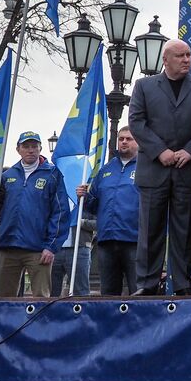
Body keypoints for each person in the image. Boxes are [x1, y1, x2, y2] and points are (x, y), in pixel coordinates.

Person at [128, 38, 191, 295]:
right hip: (154, 170)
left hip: (187, 169)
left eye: (188, 55)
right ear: (165, 60)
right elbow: (136, 122)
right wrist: (160, 151)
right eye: (180, 56)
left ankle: (183, 284)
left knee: (184, 231)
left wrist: (190, 150)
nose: (186, 60)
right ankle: (147, 284)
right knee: (150, 231)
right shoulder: (144, 86)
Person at [0, 131, 67, 298]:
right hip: (8, 246)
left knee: (41, 299)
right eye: (26, 146)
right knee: (5, 299)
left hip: (38, 249)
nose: (30, 150)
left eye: (34, 146)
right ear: (18, 149)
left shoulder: (52, 175)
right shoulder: (7, 176)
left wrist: (51, 246)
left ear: (40, 148)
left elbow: (60, 212)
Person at [76, 126, 141, 295]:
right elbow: (93, 207)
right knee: (108, 295)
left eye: (129, 138)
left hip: (135, 241)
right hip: (107, 241)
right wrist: (84, 197)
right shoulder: (105, 170)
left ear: (138, 142)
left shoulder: (146, 168)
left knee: (139, 292)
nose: (124, 142)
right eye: (121, 139)